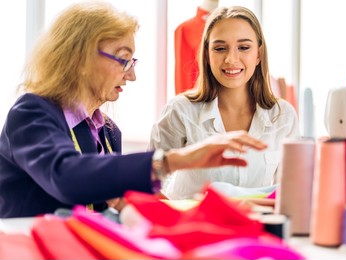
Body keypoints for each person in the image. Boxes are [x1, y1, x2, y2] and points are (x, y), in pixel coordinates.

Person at [0, 2, 268, 218]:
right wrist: (174, 160)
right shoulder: (31, 113)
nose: (132, 76)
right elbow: (67, 176)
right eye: (123, 59)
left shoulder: (107, 132)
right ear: (79, 58)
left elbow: (115, 206)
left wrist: (222, 213)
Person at [149, 6, 300, 199]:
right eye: (220, 48)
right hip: (191, 225)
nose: (231, 59)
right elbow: (149, 183)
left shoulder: (283, 116)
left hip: (253, 226)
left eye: (244, 47)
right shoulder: (180, 110)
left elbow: (288, 193)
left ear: (259, 55)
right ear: (206, 55)